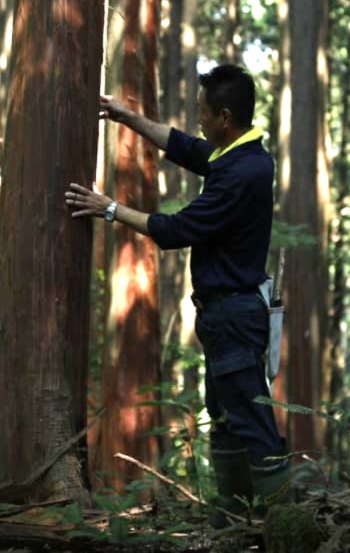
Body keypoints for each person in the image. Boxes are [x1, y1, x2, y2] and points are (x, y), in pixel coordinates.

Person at [65, 64, 290, 524]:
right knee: (226, 420)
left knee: (253, 424)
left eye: (203, 113)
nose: (199, 121)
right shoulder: (241, 154)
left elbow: (177, 228)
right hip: (223, 317)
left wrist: (109, 209)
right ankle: (235, 519)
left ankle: (283, 524)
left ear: (225, 117)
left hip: (234, 317)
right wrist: (130, 118)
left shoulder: (241, 173)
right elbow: (188, 148)